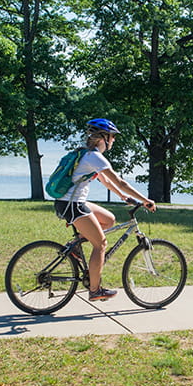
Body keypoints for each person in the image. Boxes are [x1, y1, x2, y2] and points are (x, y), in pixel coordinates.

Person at [54, 118, 156, 301]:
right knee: (100, 244)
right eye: (112, 136)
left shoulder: (88, 154)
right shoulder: (94, 157)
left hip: (70, 203)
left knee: (108, 219)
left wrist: (123, 197)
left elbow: (106, 181)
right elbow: (121, 182)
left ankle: (75, 246)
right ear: (103, 138)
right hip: (73, 205)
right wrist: (146, 200)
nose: (114, 140)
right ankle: (95, 290)